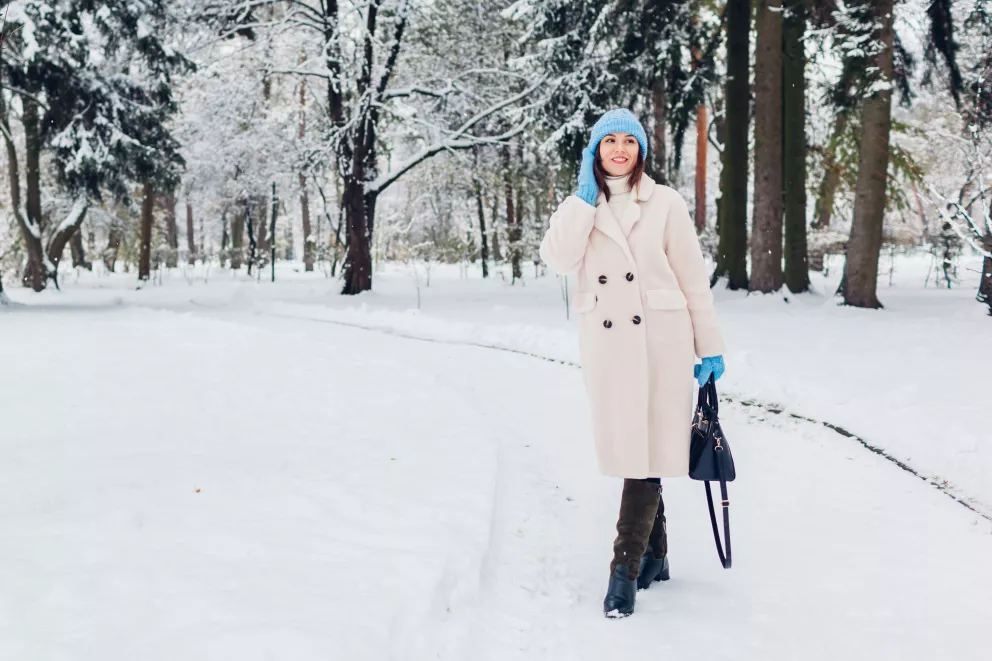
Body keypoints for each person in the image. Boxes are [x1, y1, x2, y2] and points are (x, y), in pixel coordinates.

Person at [538, 108, 726, 618]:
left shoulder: (664, 203)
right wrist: (581, 203)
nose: (619, 150)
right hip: (609, 347)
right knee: (636, 451)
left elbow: (692, 279)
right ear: (594, 152)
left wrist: (708, 345)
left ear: (641, 150)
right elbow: (557, 259)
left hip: (661, 344)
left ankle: (623, 570)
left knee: (644, 455)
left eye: (628, 141)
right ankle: (657, 555)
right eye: (608, 142)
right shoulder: (581, 205)